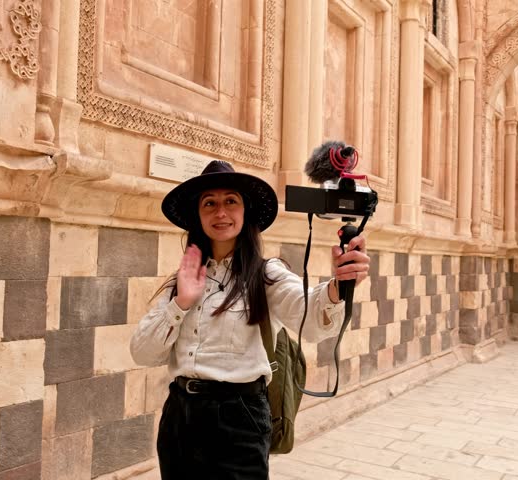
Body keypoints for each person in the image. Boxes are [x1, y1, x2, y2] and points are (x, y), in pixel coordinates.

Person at [130, 160, 370, 480]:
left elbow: (310, 319)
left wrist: (340, 286)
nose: (220, 212)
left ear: (245, 213)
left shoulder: (266, 275)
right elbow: (142, 352)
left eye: (231, 201)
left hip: (239, 419)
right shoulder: (183, 280)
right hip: (180, 418)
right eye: (209, 203)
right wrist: (181, 302)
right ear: (198, 215)